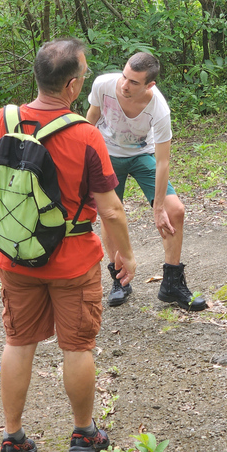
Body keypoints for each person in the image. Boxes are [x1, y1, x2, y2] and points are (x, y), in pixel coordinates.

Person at [0, 37, 136, 452]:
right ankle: (84, 432)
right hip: (73, 263)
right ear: (73, 86)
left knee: (18, 342)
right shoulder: (85, 135)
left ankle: (13, 437)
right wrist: (125, 255)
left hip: (15, 257)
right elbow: (112, 210)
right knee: (77, 347)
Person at [86, 52, 207, 312]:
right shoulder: (104, 85)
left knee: (176, 211)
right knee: (109, 215)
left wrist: (159, 207)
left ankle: (172, 284)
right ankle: (120, 280)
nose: (124, 85)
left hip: (142, 155)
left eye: (133, 82)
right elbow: (90, 120)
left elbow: (163, 161)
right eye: (124, 76)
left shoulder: (159, 109)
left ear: (149, 85)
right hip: (105, 154)